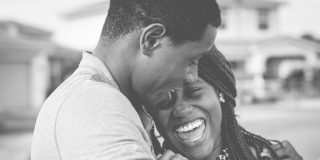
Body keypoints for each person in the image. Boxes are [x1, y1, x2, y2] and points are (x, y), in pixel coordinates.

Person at [31, 0, 221, 160]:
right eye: (191, 60)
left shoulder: (104, 98)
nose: (191, 76)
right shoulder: (93, 105)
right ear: (151, 40)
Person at [150, 46, 303, 160]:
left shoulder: (263, 156)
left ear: (221, 93)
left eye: (194, 92)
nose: (181, 109)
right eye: (164, 99)